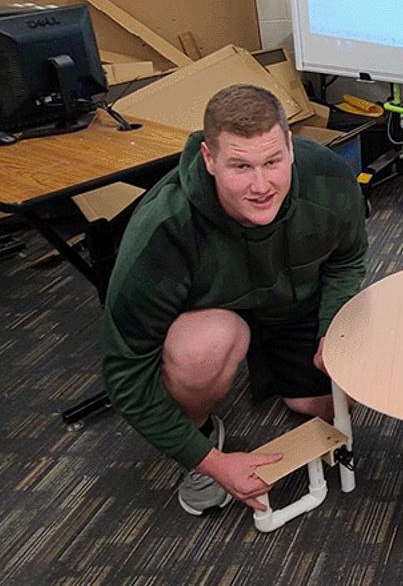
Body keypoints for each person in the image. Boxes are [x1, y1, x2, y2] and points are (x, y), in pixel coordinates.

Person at [101, 84, 367, 515]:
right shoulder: (163, 229)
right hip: (214, 315)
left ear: (290, 147)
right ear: (209, 159)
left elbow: (347, 259)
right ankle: (200, 432)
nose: (261, 186)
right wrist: (211, 463)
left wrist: (331, 329)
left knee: (338, 397)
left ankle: (286, 375)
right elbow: (125, 375)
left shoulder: (329, 177)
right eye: (240, 166)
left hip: (292, 307)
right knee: (201, 350)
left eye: (272, 162)